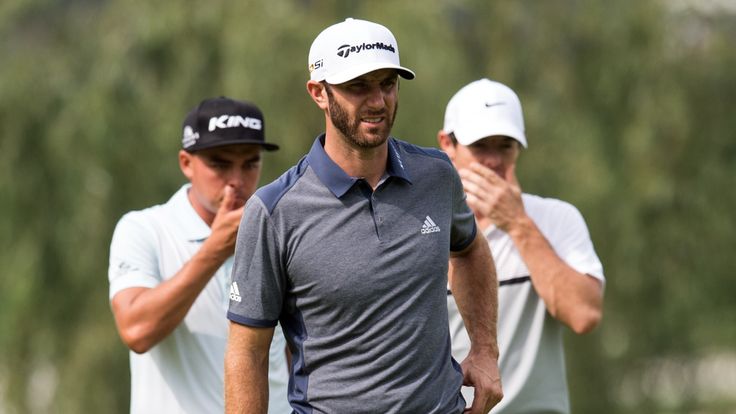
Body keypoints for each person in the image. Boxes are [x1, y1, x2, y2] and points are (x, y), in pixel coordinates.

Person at [225, 18, 503, 414]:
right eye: (358, 87)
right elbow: (246, 354)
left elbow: (471, 250)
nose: (377, 101)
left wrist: (486, 350)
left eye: (387, 83)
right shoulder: (274, 212)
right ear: (318, 93)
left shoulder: (437, 175)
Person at [108, 97, 291, 413]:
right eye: (219, 164)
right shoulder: (144, 229)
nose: (237, 180)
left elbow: (293, 352)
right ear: (186, 163)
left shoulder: (279, 232)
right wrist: (214, 251)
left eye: (250, 163)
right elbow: (136, 331)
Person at [438, 78, 606, 413]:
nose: (493, 161)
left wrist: (517, 224)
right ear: (447, 145)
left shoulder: (555, 218)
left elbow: (584, 314)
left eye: (505, 146)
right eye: (481, 145)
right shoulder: (423, 226)